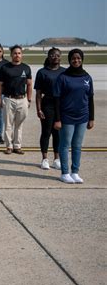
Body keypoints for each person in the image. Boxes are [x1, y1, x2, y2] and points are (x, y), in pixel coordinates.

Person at [53, 49, 94, 184]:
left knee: (77, 145)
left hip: (82, 117)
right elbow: (57, 100)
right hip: (66, 117)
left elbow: (90, 99)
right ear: (69, 60)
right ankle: (65, 173)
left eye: (78, 58)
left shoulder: (87, 77)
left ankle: (75, 172)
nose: (76, 61)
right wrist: (58, 119)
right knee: (65, 145)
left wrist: (91, 118)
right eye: (73, 59)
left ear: (82, 59)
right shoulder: (63, 77)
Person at [0, 45, 32, 155]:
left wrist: (29, 99)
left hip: (22, 99)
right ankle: (9, 146)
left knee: (19, 124)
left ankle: (17, 146)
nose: (17, 55)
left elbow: (29, 84)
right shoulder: (5, 68)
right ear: (11, 55)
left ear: (22, 55)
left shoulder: (26, 68)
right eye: (15, 53)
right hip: (8, 99)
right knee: (8, 124)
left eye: (19, 53)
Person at [34, 48, 65, 170]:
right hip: (47, 105)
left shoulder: (65, 72)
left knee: (57, 133)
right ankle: (45, 158)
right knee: (46, 132)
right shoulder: (42, 72)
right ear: (48, 57)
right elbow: (38, 93)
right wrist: (39, 109)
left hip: (61, 106)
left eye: (57, 55)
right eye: (52, 55)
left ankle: (56, 159)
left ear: (61, 57)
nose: (55, 57)